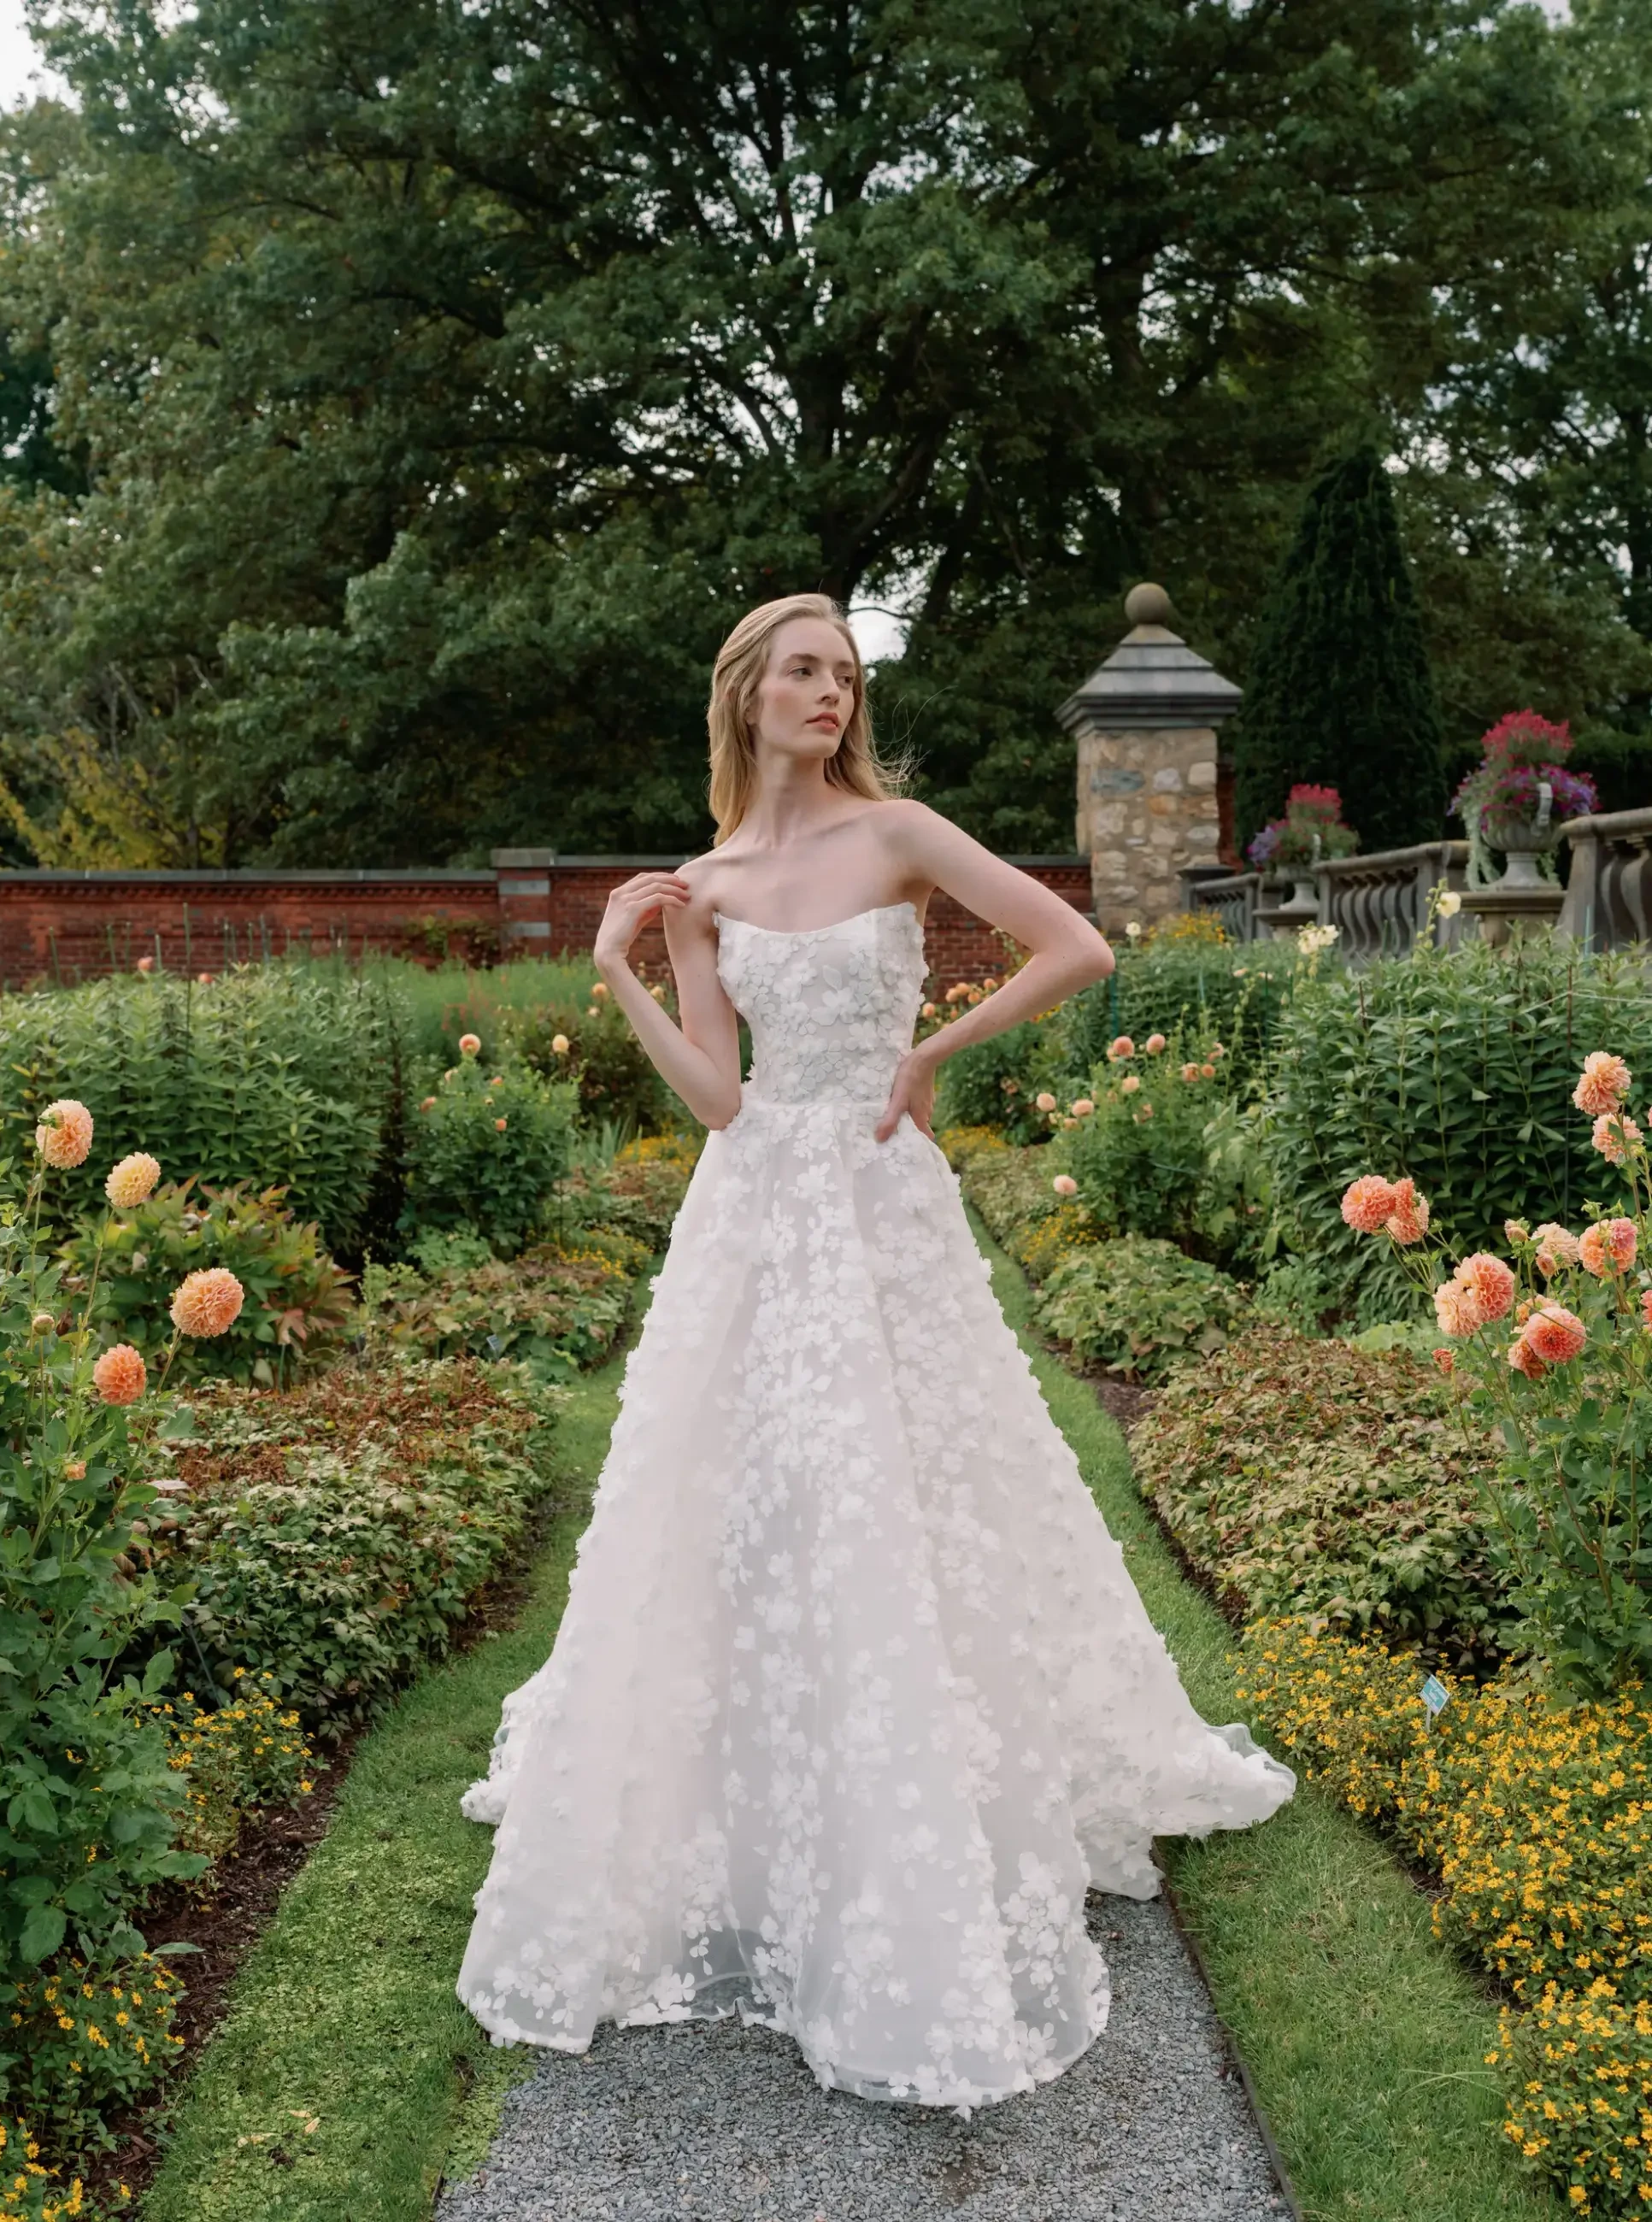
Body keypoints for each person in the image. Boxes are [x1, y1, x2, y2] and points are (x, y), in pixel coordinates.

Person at [456, 591, 1293, 2112]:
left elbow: (1079, 945)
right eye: (804, 670)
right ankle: (769, 1797)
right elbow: (717, 1097)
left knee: (923, 1483)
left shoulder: (901, 830)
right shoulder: (702, 880)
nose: (830, 692)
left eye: (845, 673)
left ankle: (937, 1770)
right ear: (747, 695)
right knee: (749, 1496)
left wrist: (930, 1051)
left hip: (881, 1196)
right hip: (756, 1210)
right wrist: (628, 967)